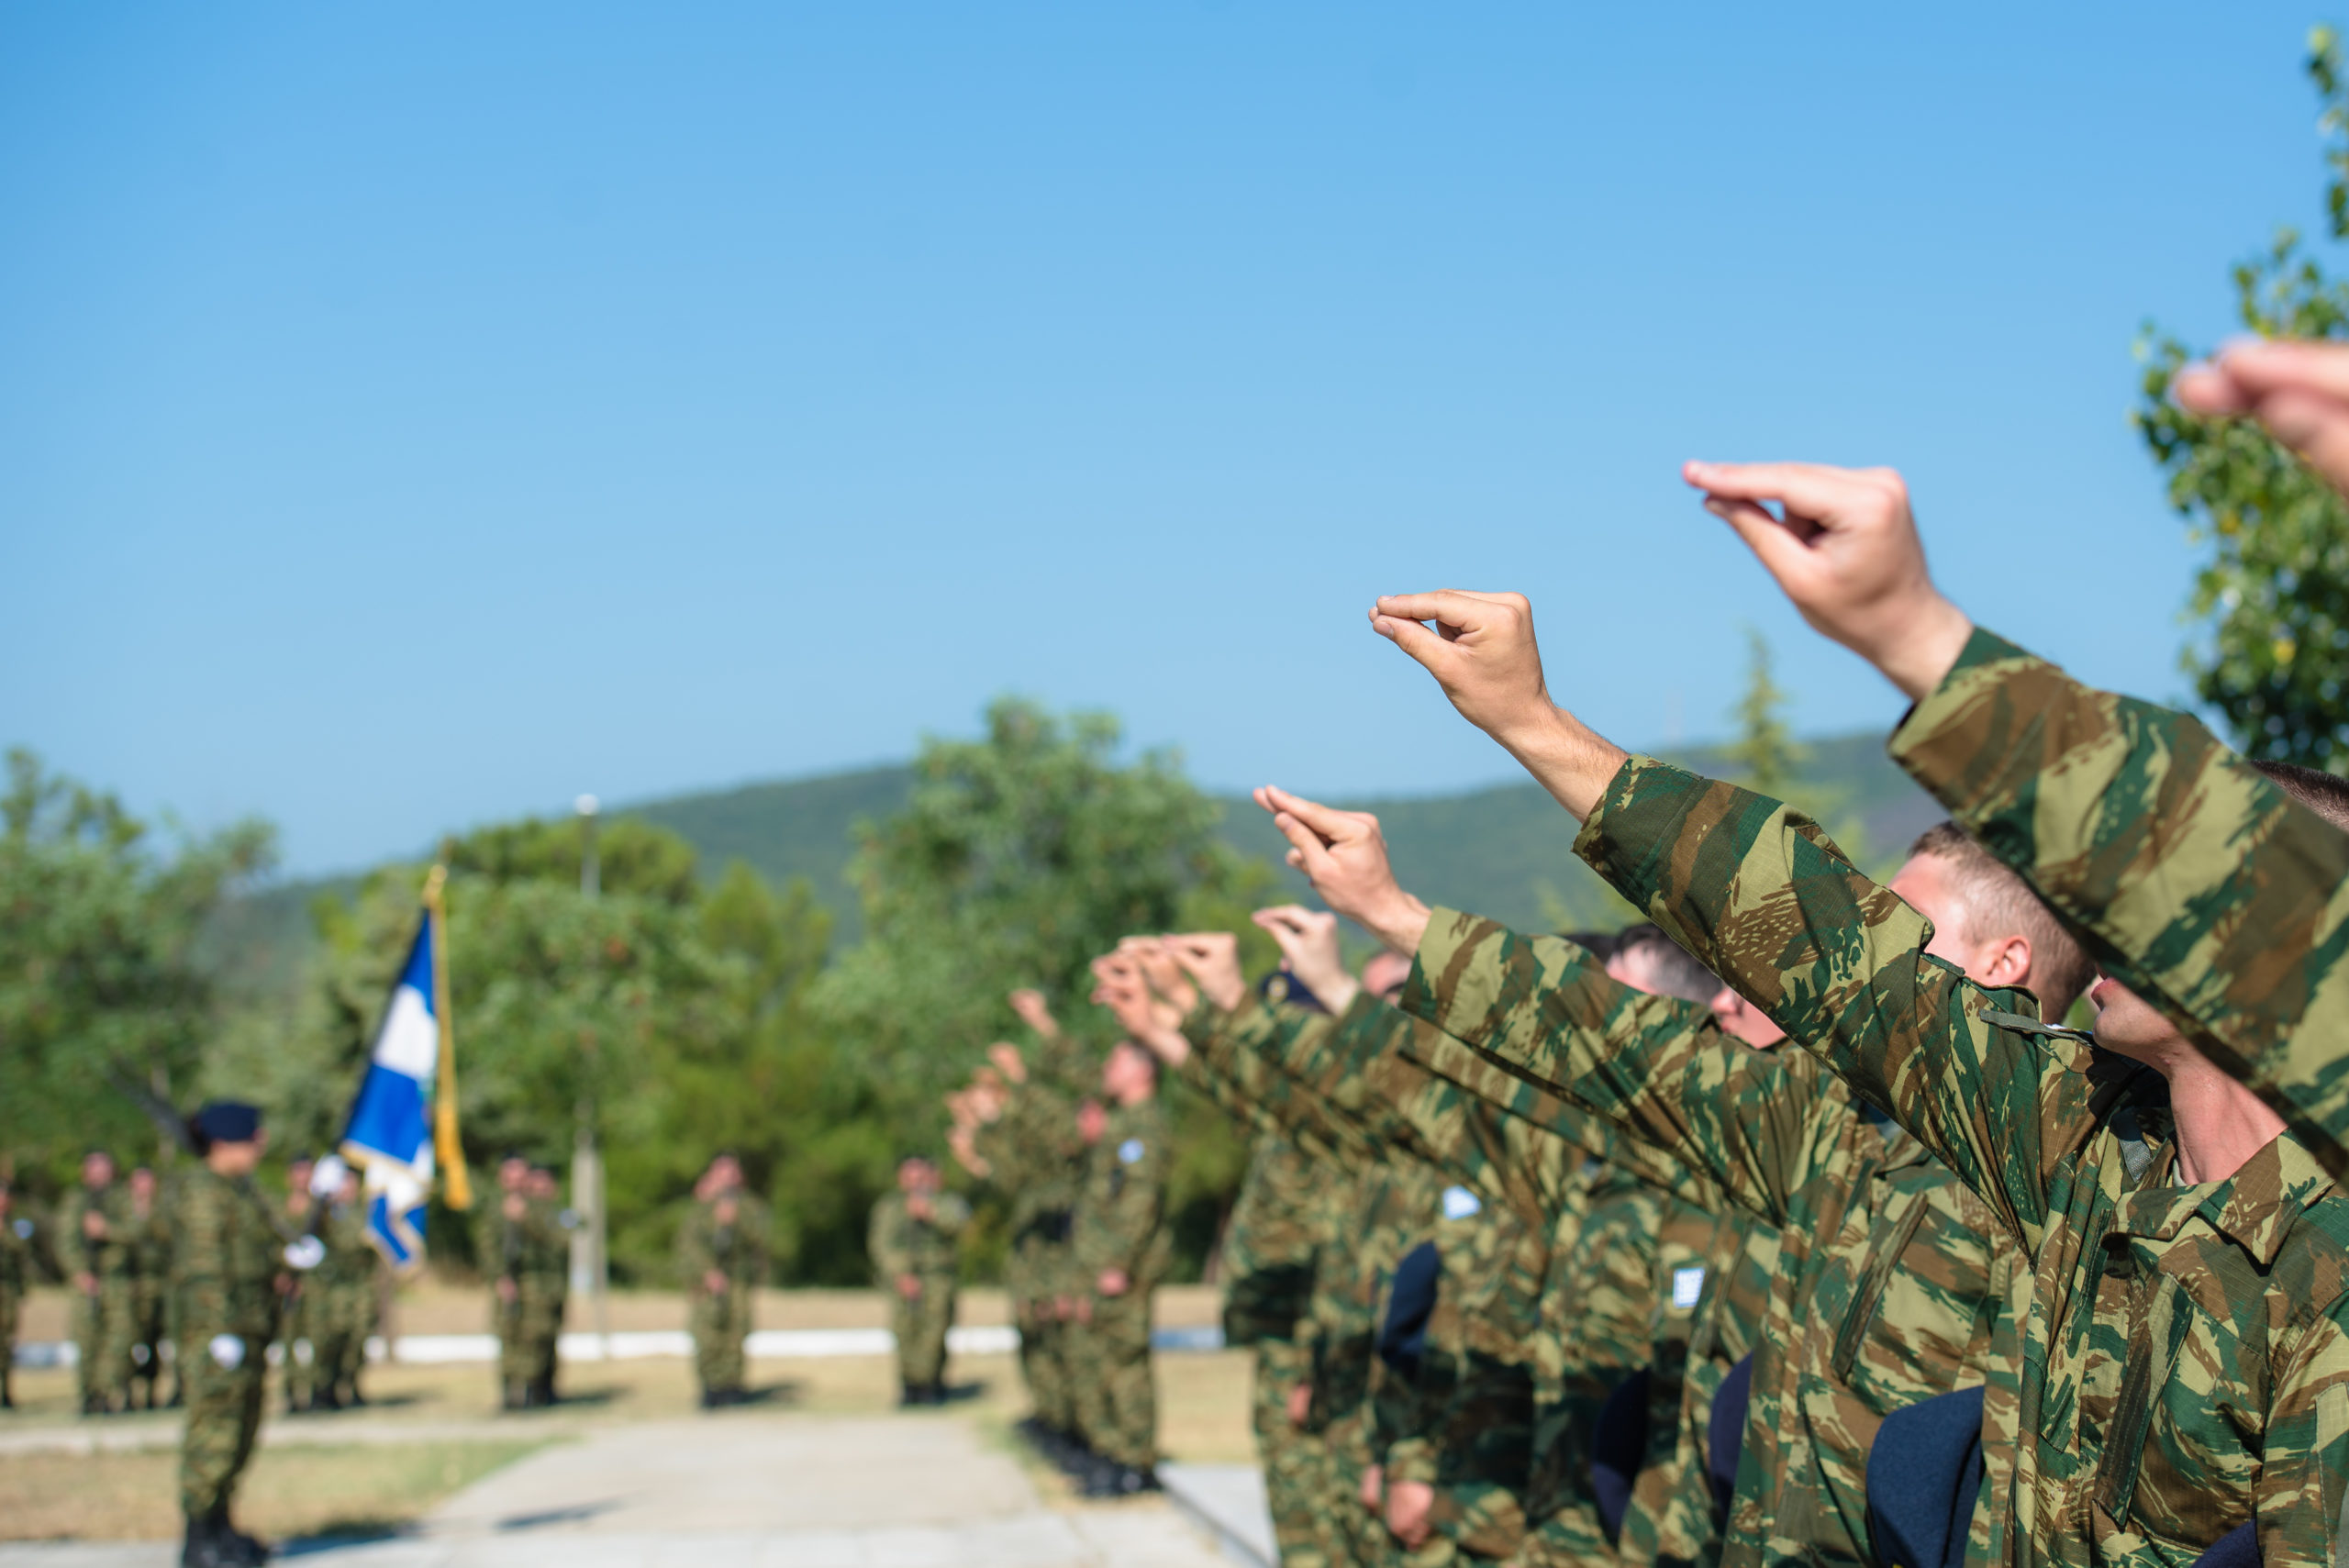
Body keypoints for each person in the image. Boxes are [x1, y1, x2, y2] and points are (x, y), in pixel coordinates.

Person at [1359, 529, 2349, 1568]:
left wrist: (1914, 627)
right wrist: (1532, 722)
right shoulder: (2080, 1137)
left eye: (2164, 887)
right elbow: (1822, 943)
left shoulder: (2321, 1255)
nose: (2104, 909)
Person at [177, 1100, 299, 1568]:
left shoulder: (240, 1190)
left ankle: (221, 1529)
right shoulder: (204, 1192)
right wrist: (220, 1332)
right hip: (218, 1333)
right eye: (253, 1136)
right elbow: (205, 1270)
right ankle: (198, 1540)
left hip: (249, 1328)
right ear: (225, 1142)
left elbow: (257, 1256)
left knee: (239, 1434)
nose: (261, 1143)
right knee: (213, 1434)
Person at [1065, 1039, 1174, 1497]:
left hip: (1123, 1269)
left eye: (1114, 1061)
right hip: (1098, 1264)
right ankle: (1112, 1453)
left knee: (1124, 1364)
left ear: (1141, 1069)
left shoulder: (1146, 1126)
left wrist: (1117, 1262)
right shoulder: (1122, 1124)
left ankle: (1135, 1459)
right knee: (1100, 1362)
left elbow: (1138, 1203)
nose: (1107, 1070)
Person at [868, 1154, 970, 1407]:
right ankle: (910, 1385)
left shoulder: (944, 1202)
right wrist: (900, 1274)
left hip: (938, 1277)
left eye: (919, 1177)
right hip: (903, 1278)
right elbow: (881, 1244)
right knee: (905, 1331)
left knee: (934, 1331)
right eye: (909, 1177)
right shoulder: (890, 1207)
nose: (915, 1183)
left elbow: (959, 1224)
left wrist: (931, 1213)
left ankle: (930, 1383)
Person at [680, 1152, 769, 1408]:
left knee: (736, 1332)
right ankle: (710, 1386)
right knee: (707, 1334)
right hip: (707, 1281)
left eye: (732, 1173)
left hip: (738, 1280)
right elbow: (689, 1245)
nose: (727, 1179)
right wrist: (706, 1272)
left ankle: (733, 1386)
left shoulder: (749, 1207)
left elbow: (759, 1240)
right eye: (722, 1173)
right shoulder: (701, 1207)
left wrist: (735, 1220)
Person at [60, 1148, 135, 1416]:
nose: (99, 1175)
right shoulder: (75, 1200)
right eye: (94, 1169)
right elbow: (65, 1241)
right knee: (87, 1339)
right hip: (86, 1281)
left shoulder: (123, 1199)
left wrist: (107, 1230)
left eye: (103, 1169)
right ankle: (87, 1394)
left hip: (116, 1280)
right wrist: (79, 1273)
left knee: (117, 1339)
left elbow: (138, 1232)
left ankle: (107, 1393)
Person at [522, 1166, 572, 1407]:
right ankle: (529, 1391)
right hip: (531, 1288)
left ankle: (547, 1388)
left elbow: (563, 1239)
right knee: (531, 1338)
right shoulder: (517, 1210)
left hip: (554, 1286)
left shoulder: (557, 1213)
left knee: (549, 1337)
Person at [126, 1164, 174, 1411]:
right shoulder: (122, 1210)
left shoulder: (163, 1211)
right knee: (131, 1341)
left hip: (162, 1284)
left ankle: (155, 1392)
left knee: (162, 1341)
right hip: (130, 1286)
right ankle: (127, 1393)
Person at [0, 1177, 30, 1410]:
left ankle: (5, 1390)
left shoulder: (16, 1226)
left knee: (7, 1342)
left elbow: (22, 1256)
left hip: (8, 1291)